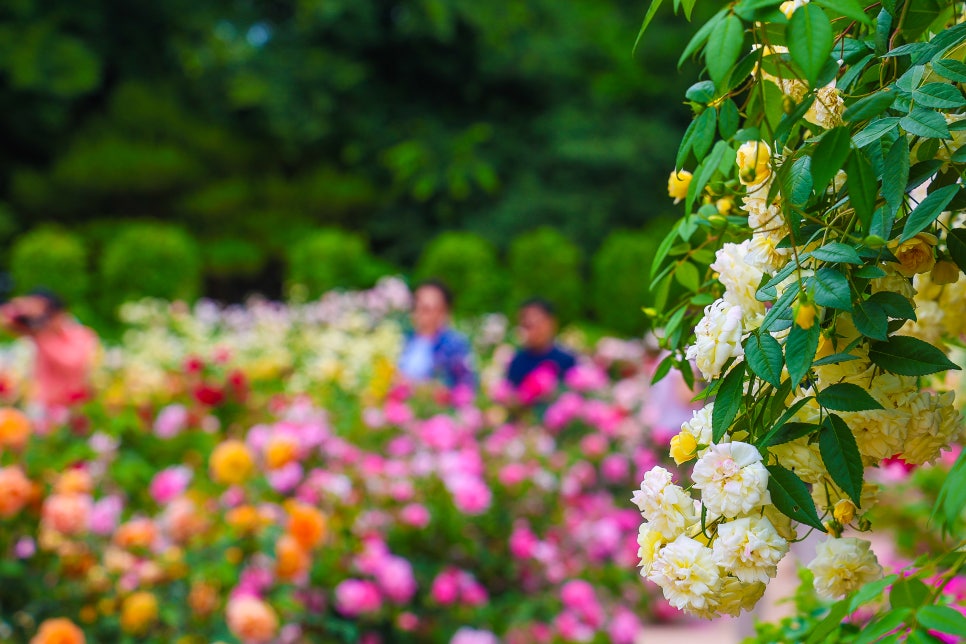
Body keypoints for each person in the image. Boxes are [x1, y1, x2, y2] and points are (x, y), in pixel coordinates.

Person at [0, 289, 99, 408]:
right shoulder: (38, 335)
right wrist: (18, 309)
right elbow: (6, 319)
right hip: (44, 406)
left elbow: (71, 363)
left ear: (59, 313)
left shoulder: (80, 336)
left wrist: (42, 334)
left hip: (75, 407)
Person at [397, 280, 475, 390]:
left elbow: (466, 386)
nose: (419, 312)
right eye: (416, 306)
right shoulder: (403, 338)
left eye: (426, 308)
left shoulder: (454, 345)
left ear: (443, 311)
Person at [506, 298, 576, 388]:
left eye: (536, 322)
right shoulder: (517, 362)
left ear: (551, 323)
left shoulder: (567, 360)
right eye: (526, 325)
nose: (532, 330)